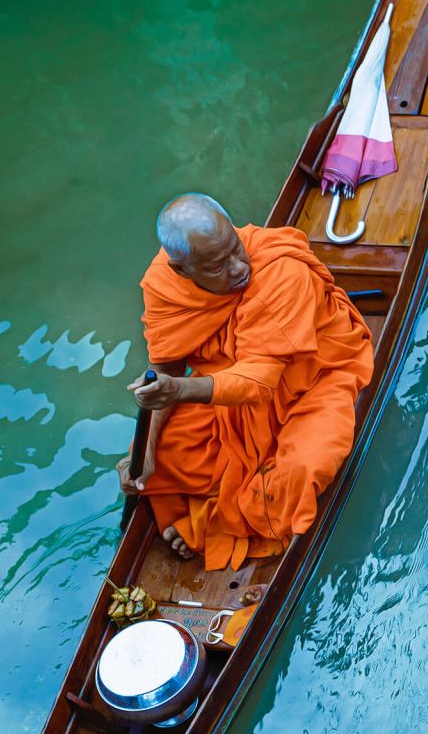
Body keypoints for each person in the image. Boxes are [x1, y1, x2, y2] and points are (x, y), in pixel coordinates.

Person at [117, 194, 374, 570]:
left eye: (236, 248)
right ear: (182, 271)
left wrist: (181, 390)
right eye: (218, 265)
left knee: (303, 468)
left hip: (312, 381)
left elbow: (259, 383)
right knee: (159, 452)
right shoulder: (164, 286)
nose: (239, 268)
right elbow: (168, 368)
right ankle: (224, 505)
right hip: (224, 387)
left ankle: (218, 520)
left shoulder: (282, 271)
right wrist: (145, 451)